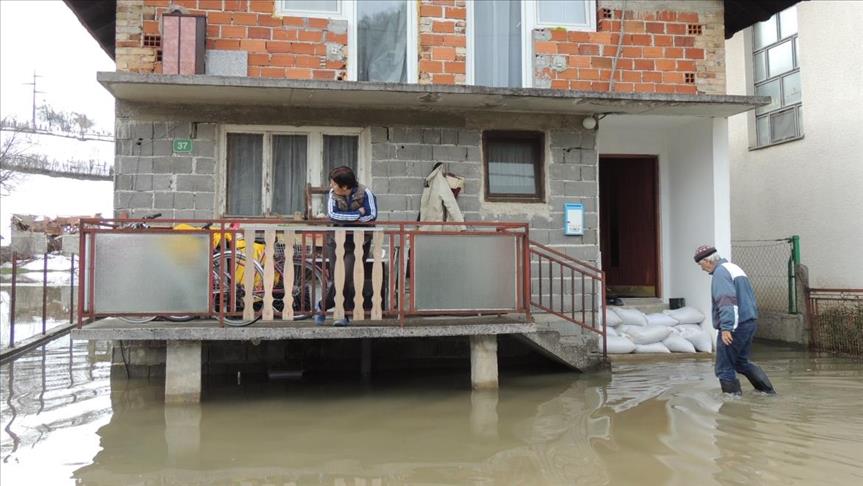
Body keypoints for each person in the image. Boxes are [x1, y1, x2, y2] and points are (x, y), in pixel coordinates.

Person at [694, 245, 776, 395]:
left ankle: (732, 404)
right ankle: (767, 392)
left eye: (701, 264)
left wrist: (727, 328)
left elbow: (726, 301)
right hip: (749, 322)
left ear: (707, 261)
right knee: (740, 362)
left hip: (735, 326)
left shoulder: (720, 273)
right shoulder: (733, 268)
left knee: (724, 368)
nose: (701, 268)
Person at [315, 166, 377, 326]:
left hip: (358, 243)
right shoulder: (332, 195)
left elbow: (372, 215)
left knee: (347, 278)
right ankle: (343, 316)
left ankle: (323, 306)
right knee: (338, 278)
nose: (331, 187)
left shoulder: (366, 193)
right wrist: (358, 214)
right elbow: (333, 215)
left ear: (344, 186)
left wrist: (349, 218)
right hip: (336, 241)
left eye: (334, 184)